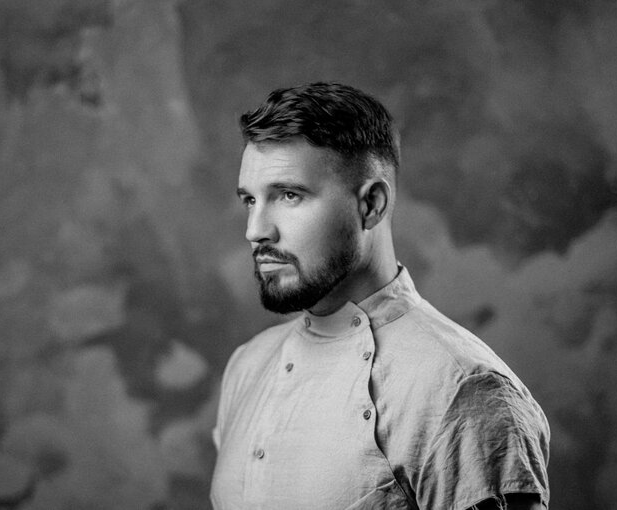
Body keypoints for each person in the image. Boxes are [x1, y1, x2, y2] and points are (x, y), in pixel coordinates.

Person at [210, 82, 550, 509]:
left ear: (371, 204)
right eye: (250, 200)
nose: (256, 230)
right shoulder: (247, 366)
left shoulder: (461, 390)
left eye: (289, 195)